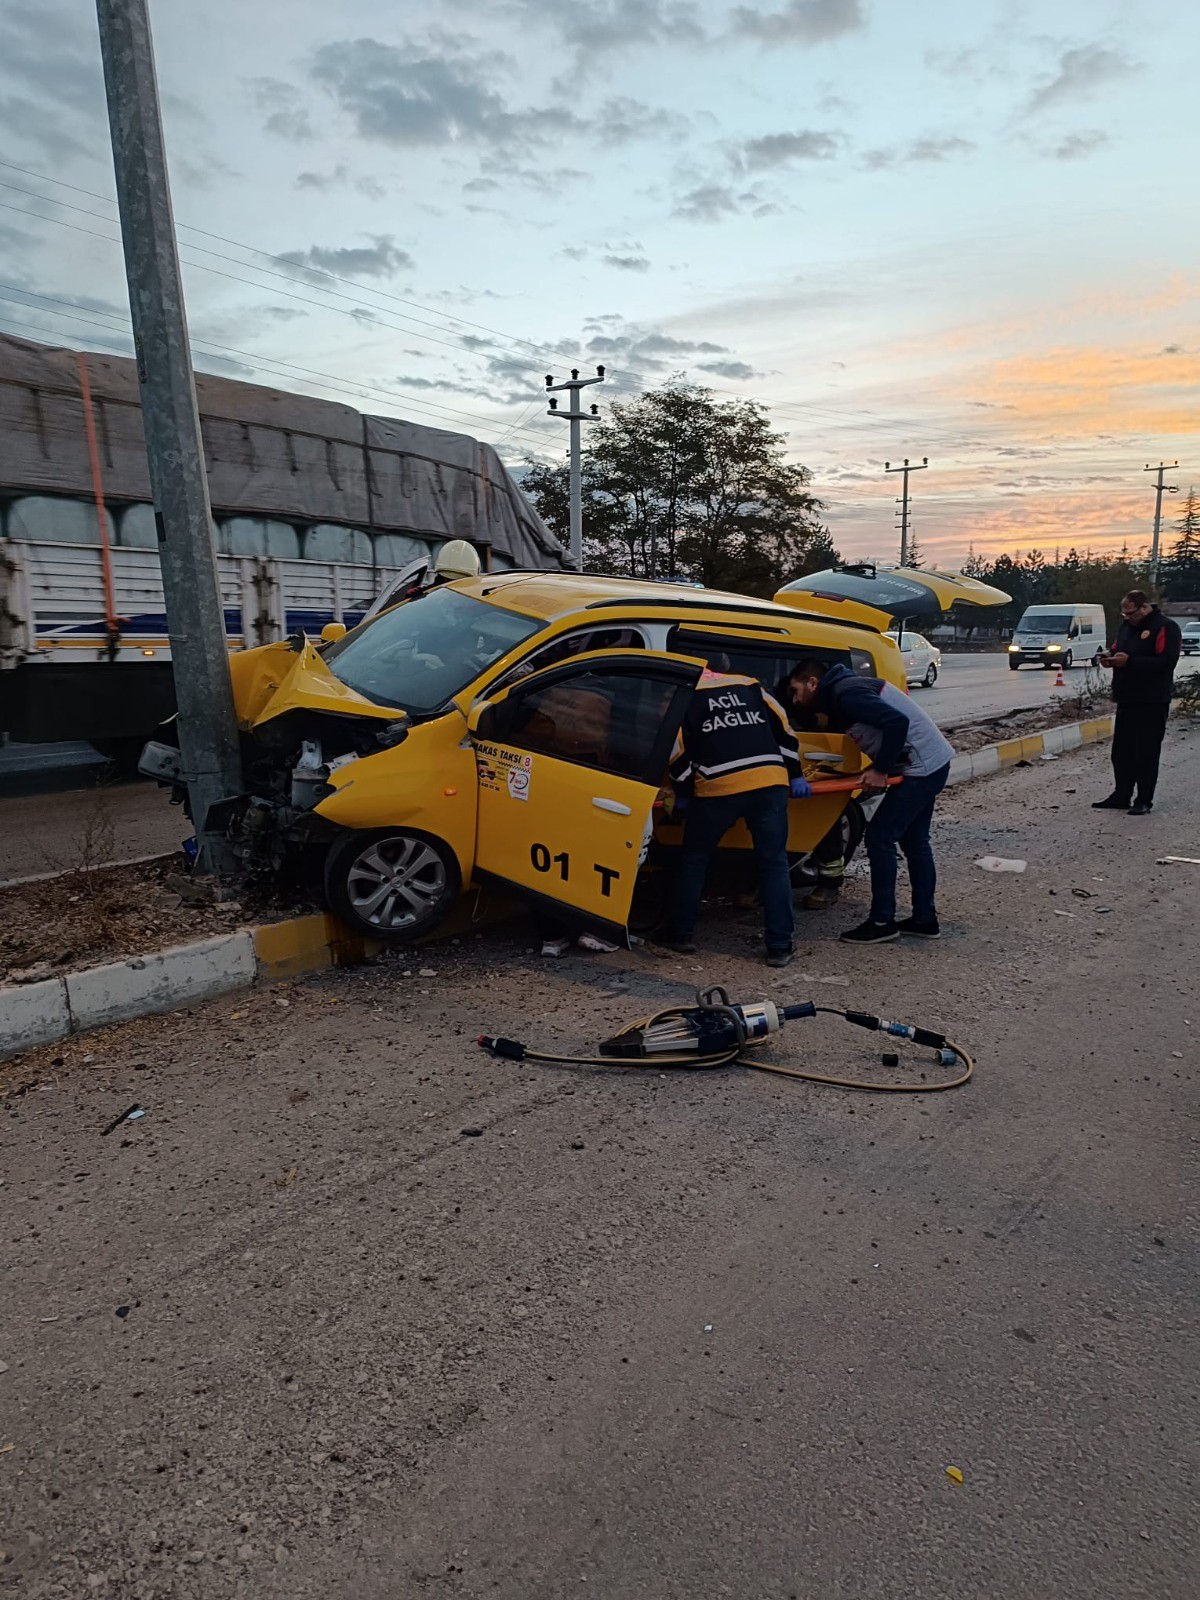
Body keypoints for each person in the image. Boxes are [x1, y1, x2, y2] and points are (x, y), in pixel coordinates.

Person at [788, 658, 954, 944]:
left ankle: (882, 921)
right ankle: (924, 919)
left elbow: (895, 722)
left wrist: (880, 769)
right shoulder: (845, 691)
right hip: (930, 762)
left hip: (921, 767)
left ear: (812, 683)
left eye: (795, 690)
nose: (795, 698)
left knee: (880, 837)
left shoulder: (846, 693)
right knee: (914, 842)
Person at [661, 667, 809, 968]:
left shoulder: (684, 692)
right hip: (769, 781)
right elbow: (784, 728)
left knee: (694, 859)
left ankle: (681, 934)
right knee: (774, 863)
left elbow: (675, 750)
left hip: (718, 786)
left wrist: (685, 790)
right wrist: (795, 773)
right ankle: (780, 946)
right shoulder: (750, 683)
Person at [1093, 591, 1181, 815]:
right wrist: (1109, 658)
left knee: (1146, 752)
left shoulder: (1165, 627)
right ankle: (1121, 794)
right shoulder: (1126, 627)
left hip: (1152, 699)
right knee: (1122, 752)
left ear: (1144, 608)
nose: (1127, 617)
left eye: (1130, 613)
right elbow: (1116, 648)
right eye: (1124, 613)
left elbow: (1166, 662)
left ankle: (1143, 800)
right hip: (1127, 697)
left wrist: (1130, 662)